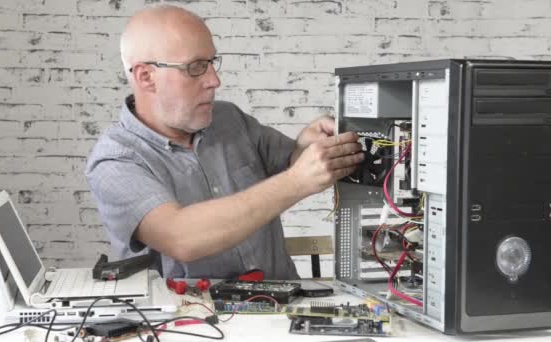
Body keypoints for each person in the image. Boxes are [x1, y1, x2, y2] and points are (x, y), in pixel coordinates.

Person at [85, 5, 364, 280]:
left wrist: (306, 147)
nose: (214, 80)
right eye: (196, 67)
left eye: (211, 63)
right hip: (192, 322)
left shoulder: (228, 118)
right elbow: (180, 237)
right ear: (146, 77)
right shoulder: (115, 161)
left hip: (284, 312)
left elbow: (293, 164)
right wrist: (297, 181)